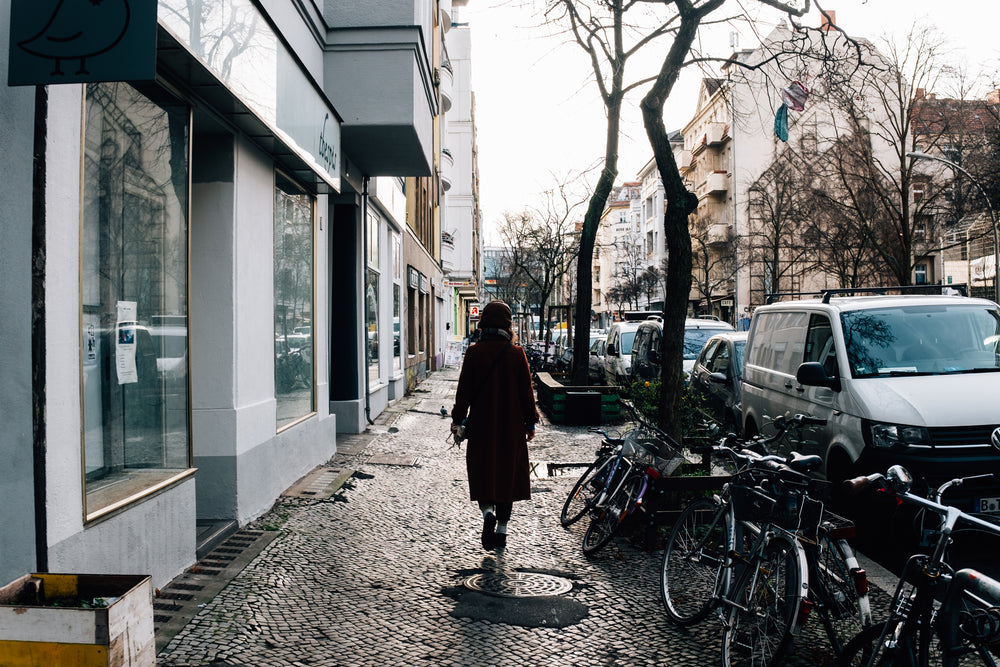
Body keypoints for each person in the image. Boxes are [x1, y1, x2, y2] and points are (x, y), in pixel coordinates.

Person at [451, 300, 539, 551]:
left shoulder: (474, 352)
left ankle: (487, 513)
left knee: (483, 472)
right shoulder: (516, 353)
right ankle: (502, 531)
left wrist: (457, 419)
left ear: (484, 323)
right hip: (511, 429)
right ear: (508, 324)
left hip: (481, 427)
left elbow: (463, 392)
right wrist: (530, 422)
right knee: (506, 477)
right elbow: (526, 392)